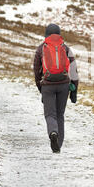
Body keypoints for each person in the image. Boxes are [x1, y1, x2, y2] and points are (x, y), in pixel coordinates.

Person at [33, 24, 79, 153]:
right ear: (59, 34)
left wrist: (40, 87)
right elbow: (74, 70)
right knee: (60, 114)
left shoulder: (41, 48)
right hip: (64, 85)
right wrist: (74, 88)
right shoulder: (65, 48)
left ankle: (53, 132)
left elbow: (36, 70)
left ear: (46, 35)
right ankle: (58, 145)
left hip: (47, 85)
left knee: (50, 114)